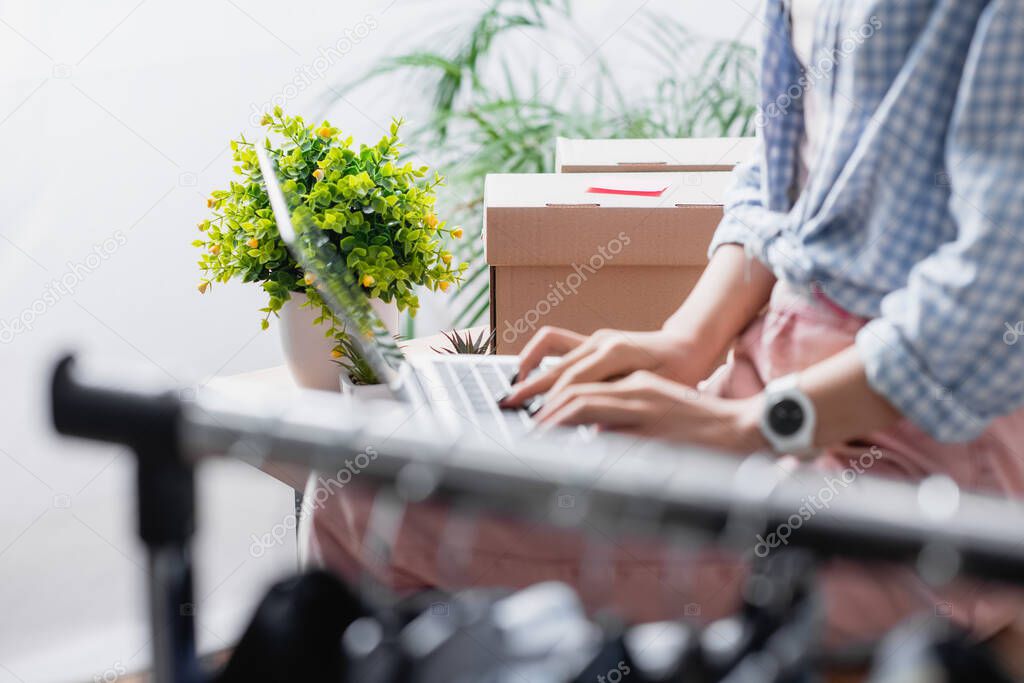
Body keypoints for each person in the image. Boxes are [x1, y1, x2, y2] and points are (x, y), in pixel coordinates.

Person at [308, 0, 1024, 645]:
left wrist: (753, 426)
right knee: (389, 449)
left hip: (914, 484)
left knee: (360, 498)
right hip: (761, 400)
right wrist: (684, 345)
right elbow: (777, 176)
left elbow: (995, 285)